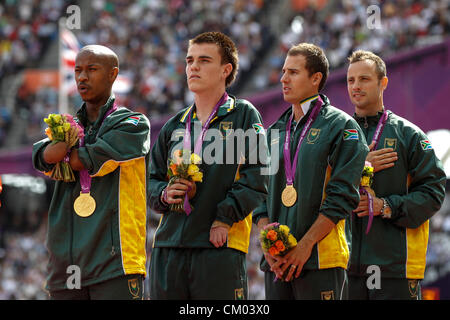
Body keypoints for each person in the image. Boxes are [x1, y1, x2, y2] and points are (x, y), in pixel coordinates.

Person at [148, 31, 268, 300]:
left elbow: (257, 178)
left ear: (226, 70)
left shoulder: (245, 115)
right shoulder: (173, 125)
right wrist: (165, 194)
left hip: (218, 246)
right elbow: (151, 180)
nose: (193, 67)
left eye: (204, 60)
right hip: (168, 248)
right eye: (190, 60)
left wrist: (224, 217)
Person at [32, 45, 151, 300]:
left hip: (114, 264)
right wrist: (59, 146)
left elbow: (79, 160)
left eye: (92, 69)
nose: (82, 77)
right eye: (78, 71)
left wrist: (62, 150)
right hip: (64, 270)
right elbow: (41, 157)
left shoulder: (133, 124)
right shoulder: (64, 127)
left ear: (113, 74)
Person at [253, 43, 369, 300]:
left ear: (316, 78)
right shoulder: (273, 132)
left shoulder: (342, 127)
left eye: (293, 72)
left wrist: (304, 247)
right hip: (277, 263)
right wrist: (268, 243)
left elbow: (342, 197)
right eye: (283, 72)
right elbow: (258, 193)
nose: (283, 78)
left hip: (320, 260)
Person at [346, 50, 446, 300]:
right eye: (350, 80)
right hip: (342, 267)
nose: (356, 86)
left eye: (364, 79)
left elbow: (433, 193)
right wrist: (356, 167)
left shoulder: (410, 135)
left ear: (383, 83)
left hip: (394, 269)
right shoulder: (337, 135)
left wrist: (385, 206)